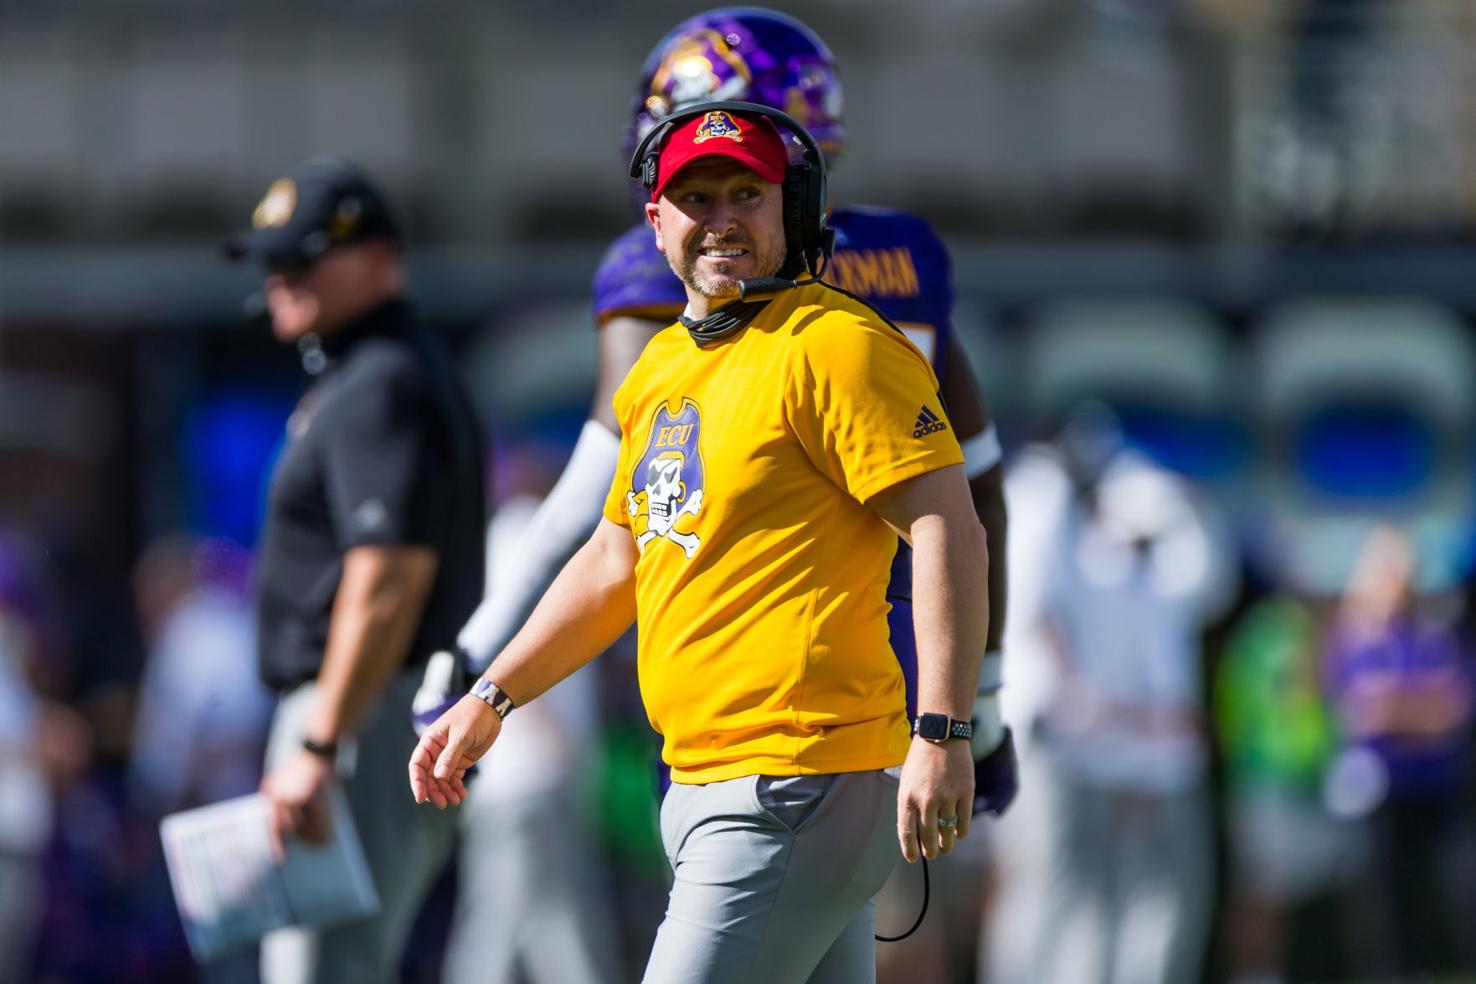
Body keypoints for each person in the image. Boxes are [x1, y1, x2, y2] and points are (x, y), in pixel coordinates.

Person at [412, 104, 988, 982]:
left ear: (790, 209)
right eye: (696, 194)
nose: (721, 217)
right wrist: (492, 696)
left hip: (793, 778)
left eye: (745, 194)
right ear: (657, 220)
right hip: (716, 783)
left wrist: (944, 731)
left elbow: (949, 527)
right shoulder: (663, 367)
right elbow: (617, 560)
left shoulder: (833, 344)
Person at [227, 157, 486, 984]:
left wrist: (319, 740)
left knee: (324, 968)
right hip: (358, 709)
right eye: (272, 259)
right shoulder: (366, 374)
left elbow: (388, 582)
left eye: (302, 258)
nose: (279, 277)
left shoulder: (384, 381)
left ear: (379, 260)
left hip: (365, 713)